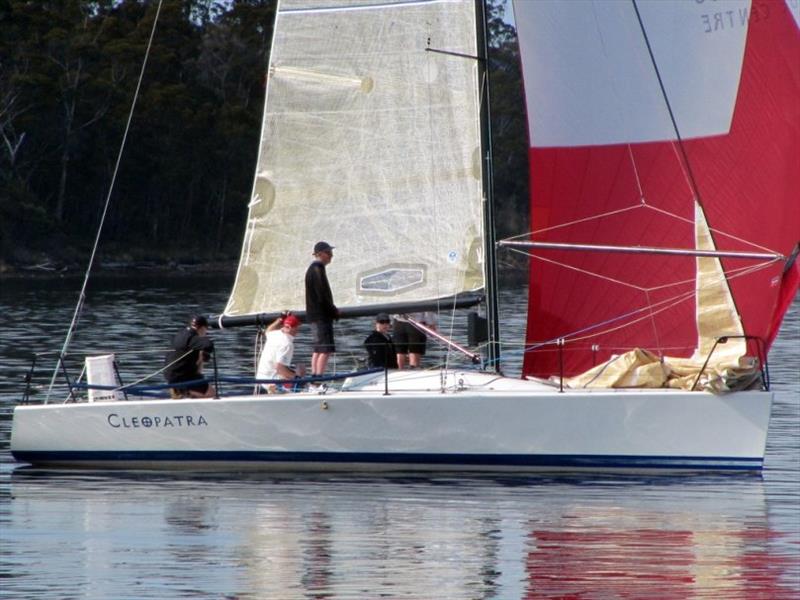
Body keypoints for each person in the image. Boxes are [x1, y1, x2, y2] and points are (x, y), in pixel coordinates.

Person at [305, 240, 339, 378]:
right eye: (328, 252)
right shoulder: (317, 268)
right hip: (320, 316)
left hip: (314, 315)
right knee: (325, 349)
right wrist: (333, 310)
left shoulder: (314, 268)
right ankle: (317, 379)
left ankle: (314, 377)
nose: (331, 255)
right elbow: (322, 295)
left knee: (318, 348)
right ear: (319, 254)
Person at [164, 315, 215, 398]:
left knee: (202, 384)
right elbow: (208, 345)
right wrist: (206, 349)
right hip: (183, 377)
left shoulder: (181, 335)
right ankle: (185, 393)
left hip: (171, 375)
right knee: (212, 394)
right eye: (206, 330)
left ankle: (184, 393)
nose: (205, 333)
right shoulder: (193, 337)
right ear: (202, 328)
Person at [256, 313, 305, 393]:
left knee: (296, 370)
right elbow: (279, 368)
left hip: (261, 377)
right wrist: (297, 377)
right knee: (301, 370)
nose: (297, 330)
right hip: (272, 380)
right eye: (297, 327)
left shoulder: (274, 334)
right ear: (292, 328)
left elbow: (269, 329)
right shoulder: (287, 344)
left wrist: (280, 319)